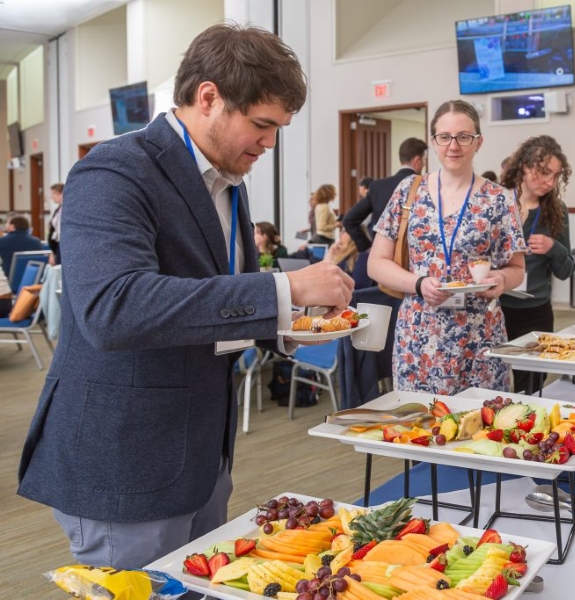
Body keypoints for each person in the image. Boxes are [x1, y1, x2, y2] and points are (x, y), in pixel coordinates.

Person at [17, 23, 354, 571]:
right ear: (209, 98)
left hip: (202, 454)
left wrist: (293, 319)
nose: (270, 143)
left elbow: (217, 300)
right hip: (129, 458)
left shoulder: (229, 180)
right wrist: (284, 287)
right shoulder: (113, 170)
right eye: (262, 125)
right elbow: (114, 308)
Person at [368, 100, 526, 395]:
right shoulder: (408, 191)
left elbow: (517, 268)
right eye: (444, 137)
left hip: (479, 337)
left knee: (481, 418)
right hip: (420, 336)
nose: (453, 146)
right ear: (433, 142)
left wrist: (502, 278)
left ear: (478, 142)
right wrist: (418, 283)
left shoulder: (499, 199)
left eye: (464, 136)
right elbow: (376, 263)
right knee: (419, 419)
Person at [499, 135, 574, 393]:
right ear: (524, 166)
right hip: (495, 308)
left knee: (532, 385)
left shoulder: (556, 210)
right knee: (492, 380)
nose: (550, 182)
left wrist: (554, 247)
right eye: (543, 173)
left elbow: (566, 271)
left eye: (555, 176)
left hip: (535, 311)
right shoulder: (498, 203)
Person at [343, 137, 427, 253]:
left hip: (383, 253)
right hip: (414, 253)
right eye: (424, 160)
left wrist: (367, 247)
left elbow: (349, 220)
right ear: (417, 160)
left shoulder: (378, 187)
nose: (424, 164)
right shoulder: (425, 185)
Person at [0, 214, 44, 278]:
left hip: (8, 276)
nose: (6, 225)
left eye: (7, 223)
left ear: (12, 226)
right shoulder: (36, 242)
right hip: (31, 277)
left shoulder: (3, 241)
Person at [47, 183, 65, 265]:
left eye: (53, 194)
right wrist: (52, 252)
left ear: (61, 193)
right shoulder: (58, 209)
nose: (51, 197)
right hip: (57, 246)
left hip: (64, 245)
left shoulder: (67, 209)